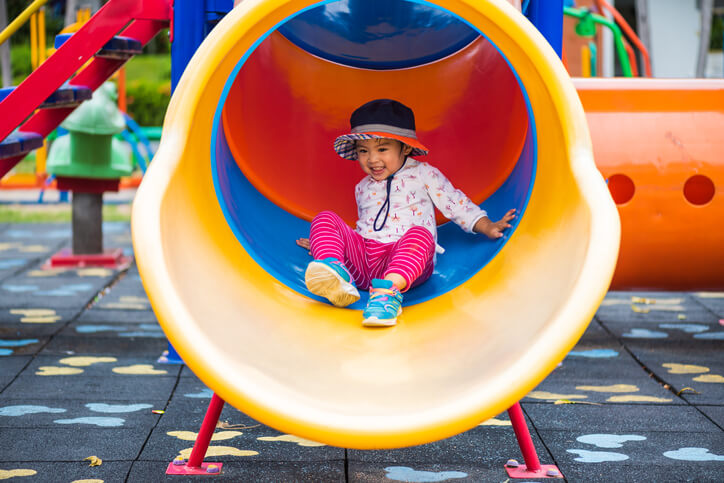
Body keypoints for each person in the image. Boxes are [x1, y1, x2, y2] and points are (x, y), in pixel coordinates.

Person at [296, 99, 516, 327]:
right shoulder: (362, 186)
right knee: (325, 218)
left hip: (407, 262)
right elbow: (368, 228)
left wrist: (486, 225)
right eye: (363, 151)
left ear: (406, 147)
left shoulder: (423, 173)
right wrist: (333, 244)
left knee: (420, 235)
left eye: (382, 149)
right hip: (364, 265)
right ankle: (335, 271)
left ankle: (386, 295)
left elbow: (455, 203)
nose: (372, 159)